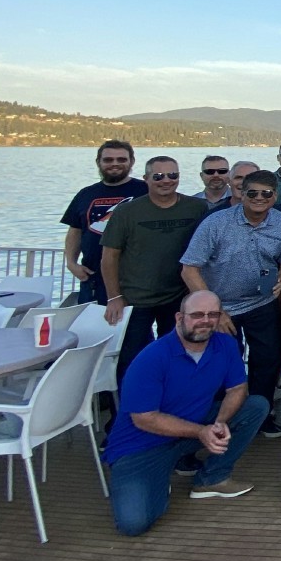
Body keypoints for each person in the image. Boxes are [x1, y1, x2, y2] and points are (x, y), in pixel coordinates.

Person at [105, 291, 270, 535]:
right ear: (179, 318)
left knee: (256, 406)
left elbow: (237, 389)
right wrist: (201, 432)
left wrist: (219, 423)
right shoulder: (151, 357)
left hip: (193, 429)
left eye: (213, 314)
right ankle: (157, 482)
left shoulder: (224, 344)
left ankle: (212, 478)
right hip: (142, 445)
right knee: (133, 524)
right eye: (197, 315)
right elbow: (143, 418)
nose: (205, 320)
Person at [180, 169, 281, 439]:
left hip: (262, 303)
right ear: (241, 193)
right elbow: (189, 269)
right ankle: (222, 418)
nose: (259, 198)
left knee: (268, 361)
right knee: (222, 364)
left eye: (266, 194)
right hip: (221, 308)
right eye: (253, 193)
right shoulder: (216, 223)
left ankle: (261, 414)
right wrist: (215, 310)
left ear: (274, 196)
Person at [99, 155, 209, 389]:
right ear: (146, 179)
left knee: (178, 356)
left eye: (173, 175)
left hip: (178, 299)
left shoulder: (197, 208)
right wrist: (114, 297)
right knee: (132, 359)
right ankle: (129, 413)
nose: (166, 181)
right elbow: (109, 256)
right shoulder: (127, 212)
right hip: (135, 299)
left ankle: (171, 407)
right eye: (158, 176)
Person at [61, 139, 147, 305]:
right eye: (108, 160)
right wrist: (71, 263)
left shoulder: (146, 191)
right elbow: (75, 230)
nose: (115, 164)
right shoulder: (85, 194)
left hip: (134, 283)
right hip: (92, 279)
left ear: (132, 162)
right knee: (92, 329)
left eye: (121, 159)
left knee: (134, 331)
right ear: (98, 162)